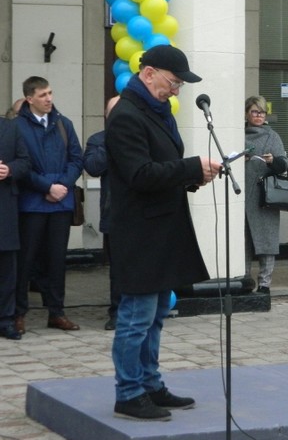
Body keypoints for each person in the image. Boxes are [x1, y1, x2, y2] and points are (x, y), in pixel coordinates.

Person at [106, 45, 222, 421]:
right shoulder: (126, 115)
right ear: (148, 73)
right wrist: (190, 167)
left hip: (162, 227)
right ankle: (128, 393)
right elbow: (139, 174)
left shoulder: (158, 112)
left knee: (156, 313)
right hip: (139, 232)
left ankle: (150, 384)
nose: (176, 91)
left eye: (179, 86)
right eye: (173, 82)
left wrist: (193, 177)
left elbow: (164, 166)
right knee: (136, 317)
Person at [15, 77, 84, 333]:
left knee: (57, 260)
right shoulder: (17, 127)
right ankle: (17, 313)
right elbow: (20, 165)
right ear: (29, 98)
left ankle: (56, 312)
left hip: (60, 204)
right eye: (43, 95)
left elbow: (76, 159)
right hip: (31, 204)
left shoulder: (64, 124)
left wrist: (62, 185)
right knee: (25, 260)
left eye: (50, 93)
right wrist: (47, 187)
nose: (49, 99)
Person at [244, 96, 288, 295]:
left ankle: (264, 284)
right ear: (247, 114)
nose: (259, 116)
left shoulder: (272, 136)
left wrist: (272, 161)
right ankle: (244, 281)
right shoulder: (237, 134)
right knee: (243, 242)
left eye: (262, 112)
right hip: (243, 196)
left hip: (265, 197)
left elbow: (283, 166)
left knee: (267, 241)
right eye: (255, 112)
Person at [83, 96, 120, 330]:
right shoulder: (98, 140)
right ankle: (117, 312)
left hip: (141, 211)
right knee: (118, 267)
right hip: (114, 212)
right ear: (107, 116)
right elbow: (93, 167)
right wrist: (113, 140)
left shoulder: (141, 135)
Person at [0, 116, 31, 340]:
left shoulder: (10, 128)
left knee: (7, 269)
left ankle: (6, 319)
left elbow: (25, 162)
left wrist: (9, 170)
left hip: (5, 208)